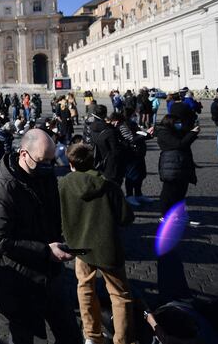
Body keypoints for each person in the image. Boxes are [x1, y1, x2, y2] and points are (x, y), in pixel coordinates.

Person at [0, 129, 81, 344]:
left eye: (51, 160)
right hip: (20, 280)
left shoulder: (46, 176)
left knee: (70, 334)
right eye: (41, 160)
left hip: (51, 275)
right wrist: (46, 250)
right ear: (23, 154)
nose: (47, 165)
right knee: (22, 337)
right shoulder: (2, 189)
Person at [59, 143, 135, 344]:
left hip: (80, 246)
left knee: (85, 289)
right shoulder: (109, 186)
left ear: (71, 163)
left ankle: (92, 335)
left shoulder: (64, 184)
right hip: (107, 246)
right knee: (120, 295)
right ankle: (122, 339)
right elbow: (126, 218)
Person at [157, 114, 200, 223]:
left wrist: (191, 131)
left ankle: (177, 213)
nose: (179, 124)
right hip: (171, 164)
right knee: (169, 191)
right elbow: (179, 144)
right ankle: (165, 215)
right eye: (177, 122)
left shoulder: (174, 131)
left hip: (180, 164)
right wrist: (192, 133)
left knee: (180, 191)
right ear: (170, 123)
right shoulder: (164, 132)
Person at [88, 105, 123, 184]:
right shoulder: (109, 130)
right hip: (109, 162)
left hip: (95, 158)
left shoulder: (91, 126)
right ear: (105, 114)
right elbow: (115, 150)